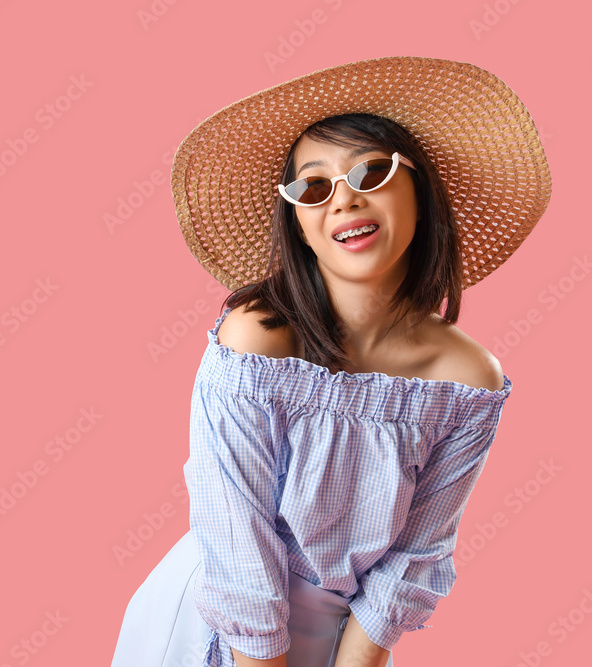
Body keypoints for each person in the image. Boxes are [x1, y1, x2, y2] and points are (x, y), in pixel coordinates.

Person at [110, 56, 552, 667]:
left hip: (346, 636)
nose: (343, 200)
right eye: (315, 187)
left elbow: (419, 551)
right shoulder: (257, 341)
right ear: (300, 226)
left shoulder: (467, 382)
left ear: (419, 194)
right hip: (221, 619)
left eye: (371, 172)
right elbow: (235, 527)